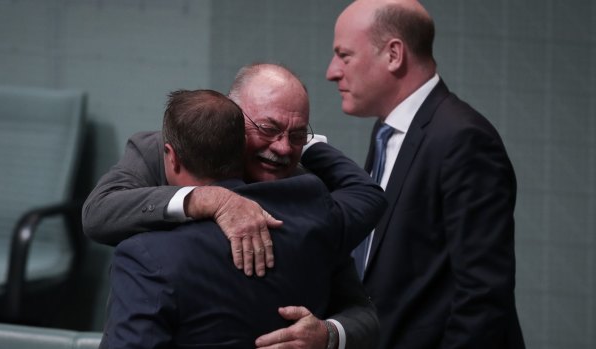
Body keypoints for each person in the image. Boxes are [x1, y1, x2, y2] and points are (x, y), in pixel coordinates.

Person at [83, 64, 382, 348]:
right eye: (267, 128)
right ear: (233, 119)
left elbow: (362, 312)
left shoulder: (308, 192)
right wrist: (200, 198)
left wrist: (328, 335)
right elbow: (99, 214)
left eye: (297, 136)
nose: (282, 148)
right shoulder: (160, 153)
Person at [325, 1, 525, 348]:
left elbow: (483, 296)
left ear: (394, 54)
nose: (332, 71)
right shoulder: (387, 131)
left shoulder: (463, 139)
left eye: (344, 56)